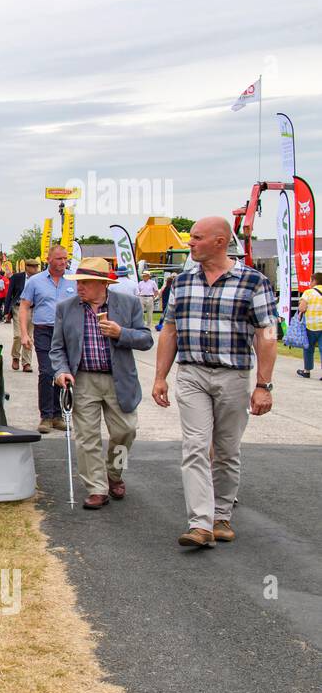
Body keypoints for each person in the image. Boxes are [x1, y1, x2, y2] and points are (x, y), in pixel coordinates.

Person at [152, 217, 278, 549]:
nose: (189, 243)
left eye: (196, 238)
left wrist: (263, 385)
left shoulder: (253, 282)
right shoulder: (180, 282)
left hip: (232, 375)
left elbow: (267, 335)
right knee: (194, 447)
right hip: (192, 373)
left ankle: (221, 516)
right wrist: (160, 377)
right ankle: (200, 523)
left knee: (226, 449)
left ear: (220, 242)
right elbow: (169, 330)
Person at [49, 258, 153, 509]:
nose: (79, 287)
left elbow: (146, 339)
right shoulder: (66, 307)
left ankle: (114, 473)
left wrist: (121, 333)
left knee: (126, 431)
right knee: (87, 437)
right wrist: (61, 371)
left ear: (102, 284)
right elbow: (57, 348)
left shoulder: (127, 303)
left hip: (119, 379)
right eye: (78, 282)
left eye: (85, 282)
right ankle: (97, 487)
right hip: (83, 379)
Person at [20, 246, 77, 433]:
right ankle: (45, 416)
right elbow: (24, 307)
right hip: (44, 330)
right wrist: (24, 333)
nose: (63, 262)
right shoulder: (35, 281)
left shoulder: (73, 280)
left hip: (67, 333)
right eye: (59, 259)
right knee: (46, 372)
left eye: (65, 259)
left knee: (63, 373)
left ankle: (58, 415)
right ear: (49, 259)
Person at [8, 260, 33, 371]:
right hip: (18, 308)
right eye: (32, 266)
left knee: (29, 336)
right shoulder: (16, 277)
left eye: (36, 267)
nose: (35, 269)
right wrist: (6, 312)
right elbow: (9, 294)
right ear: (27, 267)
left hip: (32, 309)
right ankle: (15, 357)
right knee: (18, 335)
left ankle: (26, 363)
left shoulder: (38, 279)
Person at [296, 271, 322, 378]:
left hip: (311, 326)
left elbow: (302, 308)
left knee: (308, 348)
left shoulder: (308, 293)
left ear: (314, 281)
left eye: (310, 281)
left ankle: (307, 371)